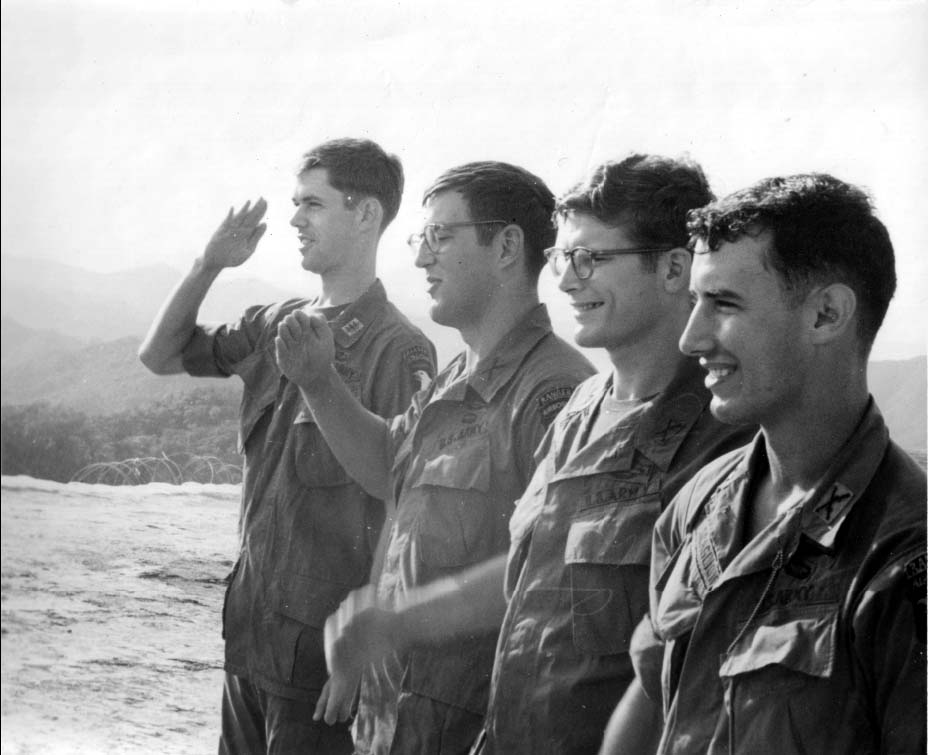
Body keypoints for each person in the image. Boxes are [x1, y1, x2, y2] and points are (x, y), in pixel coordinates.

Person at [318, 154, 756, 754]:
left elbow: (688, 672)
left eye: (590, 258)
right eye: (562, 258)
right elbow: (528, 573)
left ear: (675, 268)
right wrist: (396, 622)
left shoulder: (720, 441)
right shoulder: (579, 411)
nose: (569, 280)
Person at [274, 161, 596, 754]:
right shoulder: (456, 374)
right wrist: (318, 383)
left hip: (472, 725)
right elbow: (387, 470)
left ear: (507, 247)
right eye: (421, 239)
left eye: (441, 237)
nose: (422, 258)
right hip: (394, 717)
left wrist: (398, 621)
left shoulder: (555, 391)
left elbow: (550, 568)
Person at [603, 173, 927, 754]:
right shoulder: (699, 502)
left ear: (826, 314)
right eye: (695, 302)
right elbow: (652, 695)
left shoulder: (906, 556)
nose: (691, 339)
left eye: (723, 304)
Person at [137, 138, 437, 755]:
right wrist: (207, 264)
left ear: (367, 214)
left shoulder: (398, 349)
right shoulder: (274, 323)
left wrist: (364, 652)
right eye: (296, 204)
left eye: (313, 204)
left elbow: (404, 503)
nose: (295, 219)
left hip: (319, 664)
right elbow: (159, 355)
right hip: (249, 639)